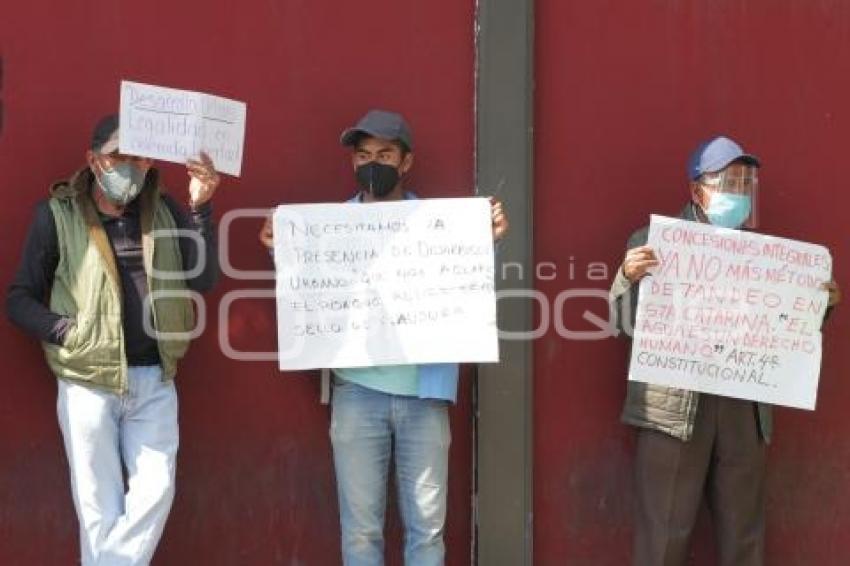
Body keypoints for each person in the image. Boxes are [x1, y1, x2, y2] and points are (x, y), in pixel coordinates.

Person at [259, 109, 508, 565]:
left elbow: (465, 287)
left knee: (428, 531)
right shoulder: (328, 230)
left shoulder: (438, 225)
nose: (373, 162)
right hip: (357, 394)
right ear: (353, 163)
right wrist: (283, 249)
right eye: (363, 155)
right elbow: (309, 293)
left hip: (424, 396)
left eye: (385, 153)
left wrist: (487, 241)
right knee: (360, 532)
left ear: (406, 162)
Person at [609, 135, 841, 566]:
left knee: (744, 538)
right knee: (662, 537)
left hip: (742, 407)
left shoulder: (766, 258)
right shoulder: (653, 243)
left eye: (744, 182)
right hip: (673, 411)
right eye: (727, 182)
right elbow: (623, 325)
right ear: (698, 190)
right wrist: (626, 277)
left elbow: (786, 335)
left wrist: (816, 304)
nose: (737, 193)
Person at [6, 114, 221, 565]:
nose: (132, 167)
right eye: (119, 157)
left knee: (157, 488)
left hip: (153, 377)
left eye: (140, 158)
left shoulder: (165, 210)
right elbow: (20, 299)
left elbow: (202, 278)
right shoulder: (56, 215)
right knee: (97, 508)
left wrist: (202, 208)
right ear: (93, 160)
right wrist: (69, 333)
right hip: (87, 379)